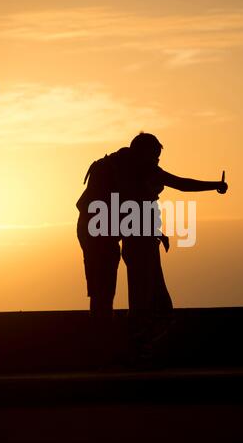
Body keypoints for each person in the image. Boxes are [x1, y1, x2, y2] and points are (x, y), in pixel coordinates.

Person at [76, 133, 228, 331]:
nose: (157, 161)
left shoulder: (128, 167)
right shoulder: (118, 169)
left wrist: (213, 185)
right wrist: (215, 185)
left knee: (111, 286)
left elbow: (172, 186)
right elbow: (179, 184)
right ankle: (119, 333)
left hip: (102, 230)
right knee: (106, 287)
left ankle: (123, 330)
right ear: (141, 152)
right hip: (97, 232)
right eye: (154, 156)